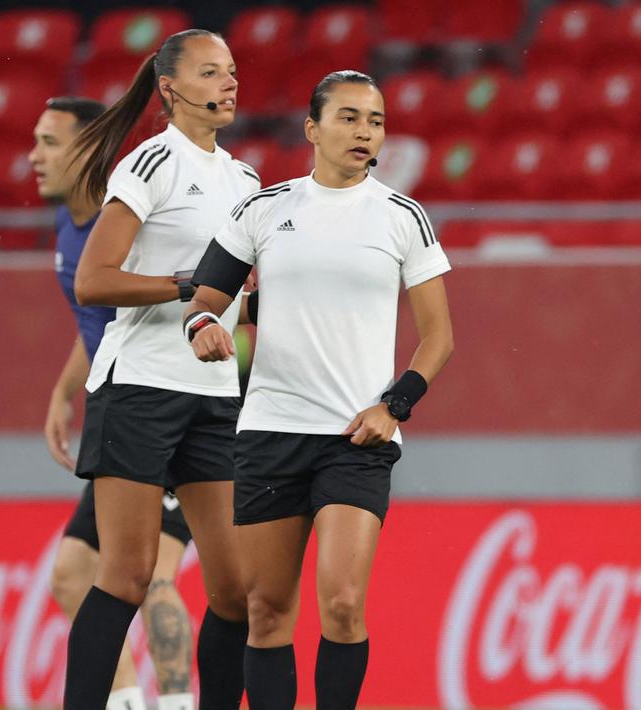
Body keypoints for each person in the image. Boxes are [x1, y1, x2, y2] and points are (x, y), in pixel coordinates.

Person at [181, 70, 454, 710]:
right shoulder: (263, 209)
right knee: (266, 610)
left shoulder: (402, 216)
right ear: (312, 128)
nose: (366, 132)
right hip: (271, 432)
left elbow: (438, 338)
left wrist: (394, 406)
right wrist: (200, 328)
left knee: (342, 603)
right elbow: (206, 300)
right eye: (350, 117)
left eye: (376, 121)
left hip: (354, 440)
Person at [64, 29, 260, 710]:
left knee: (236, 590)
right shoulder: (150, 164)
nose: (229, 83)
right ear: (170, 89)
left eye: (232, 72)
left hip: (213, 394)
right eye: (211, 73)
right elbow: (94, 280)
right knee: (126, 574)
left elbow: (245, 297)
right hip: (141, 386)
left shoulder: (245, 180)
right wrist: (190, 286)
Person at [32, 95, 198, 710]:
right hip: (123, 414)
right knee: (75, 574)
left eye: (49, 142)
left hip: (171, 411)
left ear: (88, 149)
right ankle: (129, 702)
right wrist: (63, 392)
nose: (33, 156)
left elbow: (201, 302)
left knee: (151, 573)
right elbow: (99, 321)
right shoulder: (71, 223)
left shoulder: (128, 219)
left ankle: (178, 703)